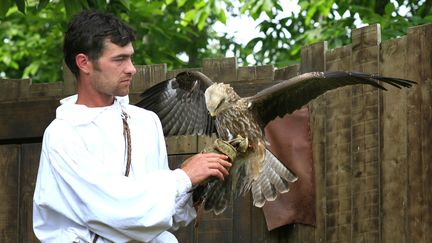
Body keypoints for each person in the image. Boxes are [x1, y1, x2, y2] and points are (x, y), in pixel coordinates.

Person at [33, 10, 231, 243]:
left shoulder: (145, 122)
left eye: (130, 57)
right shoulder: (63, 134)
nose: (131, 68)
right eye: (119, 59)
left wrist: (194, 186)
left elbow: (160, 216)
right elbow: (115, 210)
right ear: (84, 63)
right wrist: (183, 178)